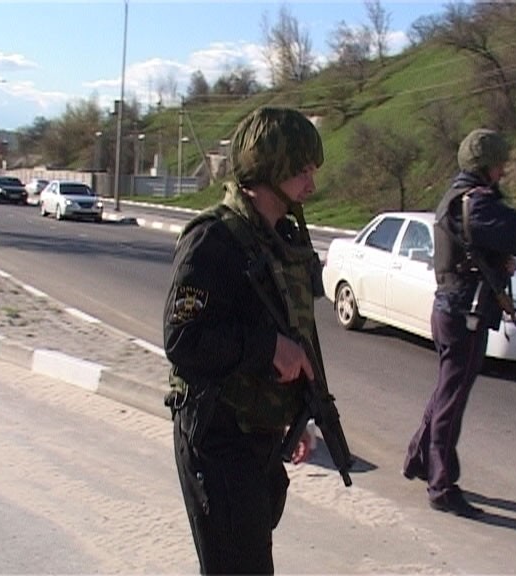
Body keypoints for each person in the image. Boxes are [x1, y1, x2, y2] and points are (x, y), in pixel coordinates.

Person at [163, 106, 329, 574]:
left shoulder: (280, 240)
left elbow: (296, 330)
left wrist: (299, 415)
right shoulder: (214, 240)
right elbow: (183, 339)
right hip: (218, 434)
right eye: (302, 172)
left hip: (258, 436)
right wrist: (268, 348)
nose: (310, 187)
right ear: (271, 170)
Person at [402, 128, 516, 518]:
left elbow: (476, 247)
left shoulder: (457, 197)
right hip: (465, 313)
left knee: (447, 390)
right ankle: (441, 486)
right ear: (490, 166)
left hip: (454, 308)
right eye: (500, 164)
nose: (503, 170)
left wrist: (498, 262)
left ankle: (418, 458)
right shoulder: (476, 203)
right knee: (452, 398)